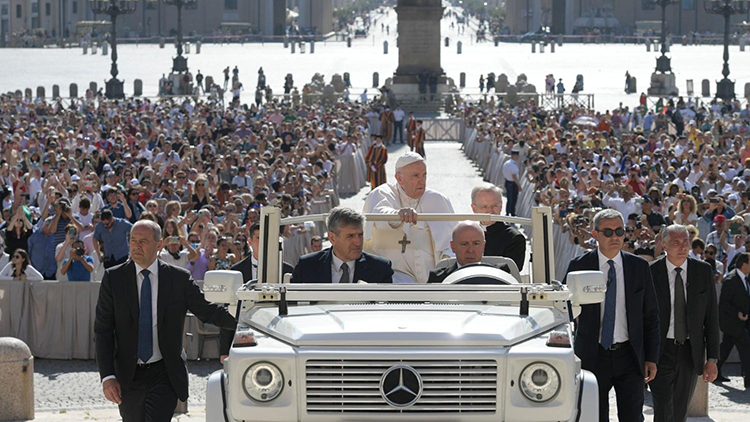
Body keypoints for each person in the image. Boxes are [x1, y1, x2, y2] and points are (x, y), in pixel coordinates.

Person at [94, 220, 237, 421]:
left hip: (164, 372)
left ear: (159, 244)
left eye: (143, 241)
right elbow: (103, 330)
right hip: (128, 374)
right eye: (133, 240)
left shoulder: (178, 279)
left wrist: (244, 320)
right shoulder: (114, 278)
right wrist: (108, 376)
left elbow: (208, 312)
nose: (136, 246)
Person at [563, 209, 660, 422]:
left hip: (630, 356)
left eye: (619, 231)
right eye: (608, 232)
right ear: (595, 235)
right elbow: (564, 310)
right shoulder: (579, 266)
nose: (614, 237)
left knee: (633, 417)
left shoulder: (639, 267)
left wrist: (651, 357)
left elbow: (651, 316)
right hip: (592, 355)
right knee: (594, 417)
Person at [649, 225, 720, 422]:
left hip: (690, 351)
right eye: (676, 243)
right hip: (660, 350)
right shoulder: (651, 272)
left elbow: (711, 317)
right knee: (663, 406)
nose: (682, 247)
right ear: (663, 245)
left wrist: (712, 359)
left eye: (685, 242)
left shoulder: (702, 271)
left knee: (680, 410)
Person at [363, 152, 455, 284]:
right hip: (396, 276)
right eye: (415, 176)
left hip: (433, 279)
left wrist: (445, 265)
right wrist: (398, 215)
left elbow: (451, 241)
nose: (422, 181)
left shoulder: (437, 199)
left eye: (424, 175)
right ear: (399, 178)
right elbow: (379, 214)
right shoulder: (383, 192)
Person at [291, 207, 393, 284]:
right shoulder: (307, 266)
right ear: (332, 238)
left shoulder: (380, 269)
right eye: (350, 236)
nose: (358, 242)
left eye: (360, 235)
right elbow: (292, 303)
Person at [427, 221, 511, 283]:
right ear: (453, 247)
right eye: (464, 244)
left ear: (484, 246)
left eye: (476, 243)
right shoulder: (438, 279)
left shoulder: (500, 274)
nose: (470, 250)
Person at [470, 184, 526, 270]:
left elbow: (511, 269)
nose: (490, 211)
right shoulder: (467, 235)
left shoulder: (514, 238)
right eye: (484, 207)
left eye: (494, 206)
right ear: (474, 208)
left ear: (501, 206)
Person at [717, 251, 750, 389]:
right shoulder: (731, 279)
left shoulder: (745, 278)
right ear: (744, 264)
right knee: (747, 348)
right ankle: (748, 379)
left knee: (725, 348)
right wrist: (737, 313)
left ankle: (715, 371)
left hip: (741, 323)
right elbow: (724, 303)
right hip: (732, 323)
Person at [502, 149, 521, 216]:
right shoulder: (513, 165)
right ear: (514, 156)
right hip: (513, 183)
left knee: (509, 198)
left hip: (507, 182)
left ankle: (508, 211)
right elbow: (514, 177)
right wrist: (519, 185)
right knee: (513, 198)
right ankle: (512, 212)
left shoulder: (506, 163)